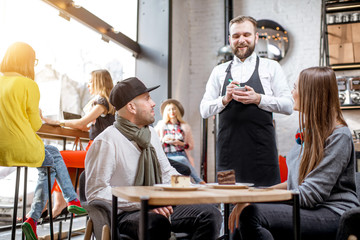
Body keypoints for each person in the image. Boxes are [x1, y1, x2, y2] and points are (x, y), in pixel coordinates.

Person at [228, 67, 360, 240]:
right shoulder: (309, 131)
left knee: (250, 215)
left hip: (335, 212)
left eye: (295, 87)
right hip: (312, 209)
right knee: (242, 215)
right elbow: (294, 182)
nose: (292, 93)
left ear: (311, 94)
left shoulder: (339, 136)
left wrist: (256, 199)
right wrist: (254, 194)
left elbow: (309, 195)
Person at [85, 77, 222, 240]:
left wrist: (193, 187)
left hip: (160, 205)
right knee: (155, 223)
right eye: (147, 98)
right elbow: (96, 192)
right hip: (126, 214)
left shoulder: (149, 134)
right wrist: (144, 203)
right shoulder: (107, 141)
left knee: (211, 214)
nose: (153, 103)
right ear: (131, 107)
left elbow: (166, 171)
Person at [0, 42, 86, 240]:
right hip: (21, 148)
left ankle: (37, 217)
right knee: (51, 160)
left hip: (1, 148)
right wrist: (38, 114)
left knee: (52, 155)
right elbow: (34, 125)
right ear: (28, 62)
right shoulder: (29, 85)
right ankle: (68, 201)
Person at [200, 15, 293, 187]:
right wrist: (224, 99)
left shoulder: (271, 67)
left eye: (246, 35)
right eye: (236, 36)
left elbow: (288, 105)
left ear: (256, 37)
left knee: (265, 205)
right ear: (230, 39)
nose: (241, 40)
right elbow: (204, 110)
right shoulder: (219, 71)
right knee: (230, 205)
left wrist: (259, 99)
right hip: (228, 154)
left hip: (262, 153)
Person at [42, 69, 115, 218]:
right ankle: (59, 205)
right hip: (97, 151)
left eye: (90, 81)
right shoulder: (106, 103)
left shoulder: (102, 101)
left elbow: (82, 122)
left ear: (98, 82)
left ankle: (47, 205)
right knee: (65, 165)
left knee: (57, 156)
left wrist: (55, 121)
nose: (88, 85)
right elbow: (84, 126)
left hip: (96, 152)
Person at [155, 99, 205, 184]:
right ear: (166, 112)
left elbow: (191, 146)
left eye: (174, 109)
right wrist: (163, 140)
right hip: (167, 156)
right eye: (169, 109)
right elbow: (155, 143)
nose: (172, 111)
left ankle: (189, 183)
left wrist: (181, 144)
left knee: (182, 160)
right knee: (182, 160)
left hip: (181, 153)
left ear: (177, 111)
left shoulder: (185, 126)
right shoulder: (160, 125)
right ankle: (198, 181)